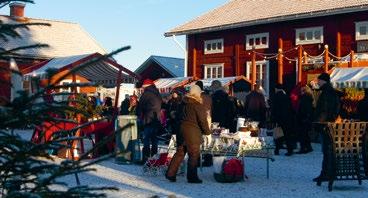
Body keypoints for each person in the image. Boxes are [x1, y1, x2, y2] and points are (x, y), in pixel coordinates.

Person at [165, 85, 211, 183]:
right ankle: (192, 177)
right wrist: (207, 131)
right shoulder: (198, 105)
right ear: (197, 93)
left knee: (180, 153)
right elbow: (203, 121)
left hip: (181, 132)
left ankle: (170, 174)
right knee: (193, 155)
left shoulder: (182, 104)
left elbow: (177, 117)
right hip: (192, 133)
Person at [313, 72, 340, 182]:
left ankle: (326, 174)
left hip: (325, 126)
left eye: (318, 81)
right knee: (329, 150)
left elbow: (324, 110)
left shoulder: (325, 93)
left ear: (323, 81)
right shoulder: (332, 92)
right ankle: (328, 172)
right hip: (331, 124)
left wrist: (318, 123)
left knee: (327, 150)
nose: (317, 82)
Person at [136, 79, 162, 163]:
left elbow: (140, 106)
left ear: (146, 86)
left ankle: (146, 159)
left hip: (148, 119)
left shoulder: (146, 94)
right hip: (156, 119)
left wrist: (139, 115)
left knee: (146, 139)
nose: (142, 89)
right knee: (154, 140)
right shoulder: (157, 93)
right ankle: (154, 158)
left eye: (143, 87)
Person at [271, 83, 295, 156]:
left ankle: (277, 150)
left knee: (278, 134)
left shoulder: (275, 97)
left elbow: (274, 109)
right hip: (287, 118)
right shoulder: (286, 96)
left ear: (276, 89)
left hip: (279, 118)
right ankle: (290, 150)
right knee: (287, 135)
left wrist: (273, 119)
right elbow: (291, 108)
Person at [296, 85, 314, 154]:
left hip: (303, 119)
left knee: (302, 134)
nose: (301, 92)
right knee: (305, 134)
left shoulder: (305, 98)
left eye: (302, 91)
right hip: (305, 118)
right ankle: (308, 147)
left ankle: (303, 148)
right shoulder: (308, 98)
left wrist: (304, 117)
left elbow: (305, 109)